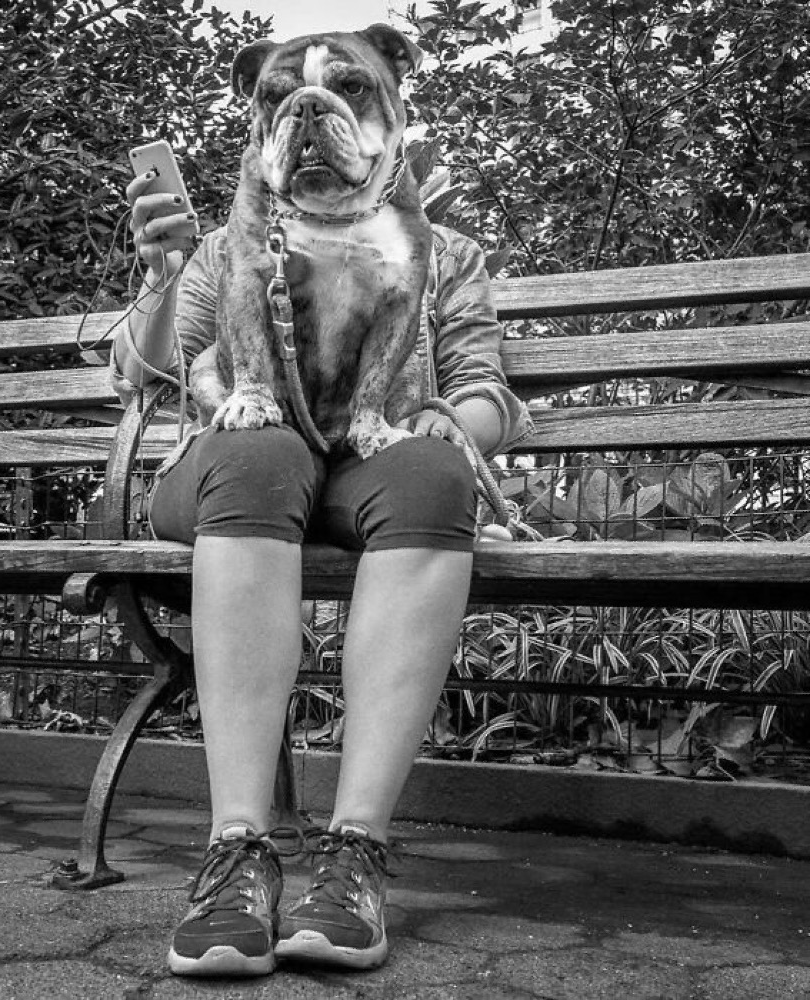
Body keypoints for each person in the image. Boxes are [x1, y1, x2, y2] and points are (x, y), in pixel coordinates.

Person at [112, 164, 533, 978]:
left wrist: (443, 429)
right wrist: (162, 276)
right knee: (260, 457)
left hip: (366, 465)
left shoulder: (441, 251)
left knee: (431, 476)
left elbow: (485, 389)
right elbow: (145, 375)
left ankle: (354, 857)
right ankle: (236, 853)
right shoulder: (227, 247)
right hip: (232, 466)